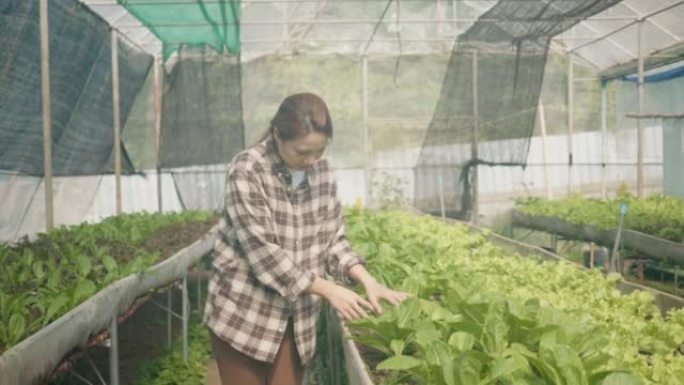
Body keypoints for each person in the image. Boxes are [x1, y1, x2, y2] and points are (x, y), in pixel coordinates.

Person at [203, 93, 409, 385]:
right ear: (277, 135)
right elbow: (264, 253)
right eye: (302, 152)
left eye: (319, 151)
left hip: (296, 317)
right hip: (245, 313)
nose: (311, 161)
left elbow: (333, 241)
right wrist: (329, 290)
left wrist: (367, 280)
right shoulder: (248, 169)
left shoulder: (323, 174)